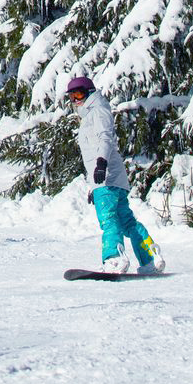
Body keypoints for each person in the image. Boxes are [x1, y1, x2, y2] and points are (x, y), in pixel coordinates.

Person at [66, 74, 160, 275]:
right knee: (127, 222)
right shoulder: (94, 112)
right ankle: (150, 258)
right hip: (110, 178)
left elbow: (105, 139)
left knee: (109, 220)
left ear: (90, 93)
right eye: (72, 96)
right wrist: (93, 184)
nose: (76, 100)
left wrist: (101, 164)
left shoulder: (96, 112)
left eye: (80, 94)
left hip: (106, 176)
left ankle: (114, 259)